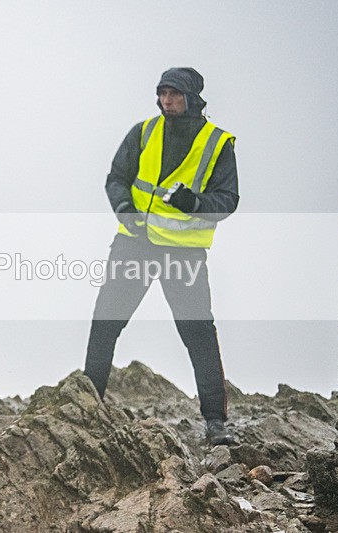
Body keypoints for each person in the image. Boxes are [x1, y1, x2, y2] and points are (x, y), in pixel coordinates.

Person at [84, 68, 238, 445]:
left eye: (174, 94)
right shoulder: (143, 132)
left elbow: (228, 201)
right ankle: (87, 404)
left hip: (183, 254)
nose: (166, 101)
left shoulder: (217, 144)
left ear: (193, 98)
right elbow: (116, 178)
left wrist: (194, 203)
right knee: (106, 323)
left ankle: (216, 424)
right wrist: (124, 209)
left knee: (198, 333)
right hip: (133, 244)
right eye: (162, 93)